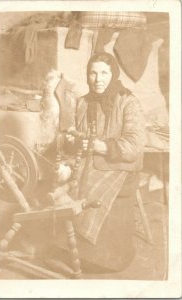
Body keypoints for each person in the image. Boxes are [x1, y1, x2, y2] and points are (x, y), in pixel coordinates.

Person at [54, 52, 146, 274]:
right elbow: (77, 137)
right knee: (62, 184)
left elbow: (133, 147)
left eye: (104, 73)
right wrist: (73, 139)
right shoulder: (83, 103)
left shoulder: (129, 102)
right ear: (88, 76)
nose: (98, 79)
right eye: (93, 73)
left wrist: (97, 146)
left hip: (121, 168)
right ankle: (68, 250)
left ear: (113, 74)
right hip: (89, 163)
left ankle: (102, 260)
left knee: (88, 190)